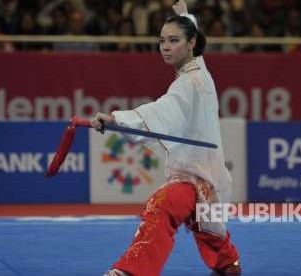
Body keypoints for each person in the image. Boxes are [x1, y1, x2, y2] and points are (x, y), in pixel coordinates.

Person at [91, 1, 241, 275]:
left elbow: (160, 111)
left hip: (194, 179)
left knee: (160, 207)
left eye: (173, 40)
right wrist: (184, 15)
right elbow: (192, 32)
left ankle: (130, 272)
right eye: (162, 41)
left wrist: (116, 119)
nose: (165, 46)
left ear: (191, 43)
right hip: (208, 179)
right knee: (208, 228)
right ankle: (229, 265)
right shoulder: (200, 69)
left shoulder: (188, 83)